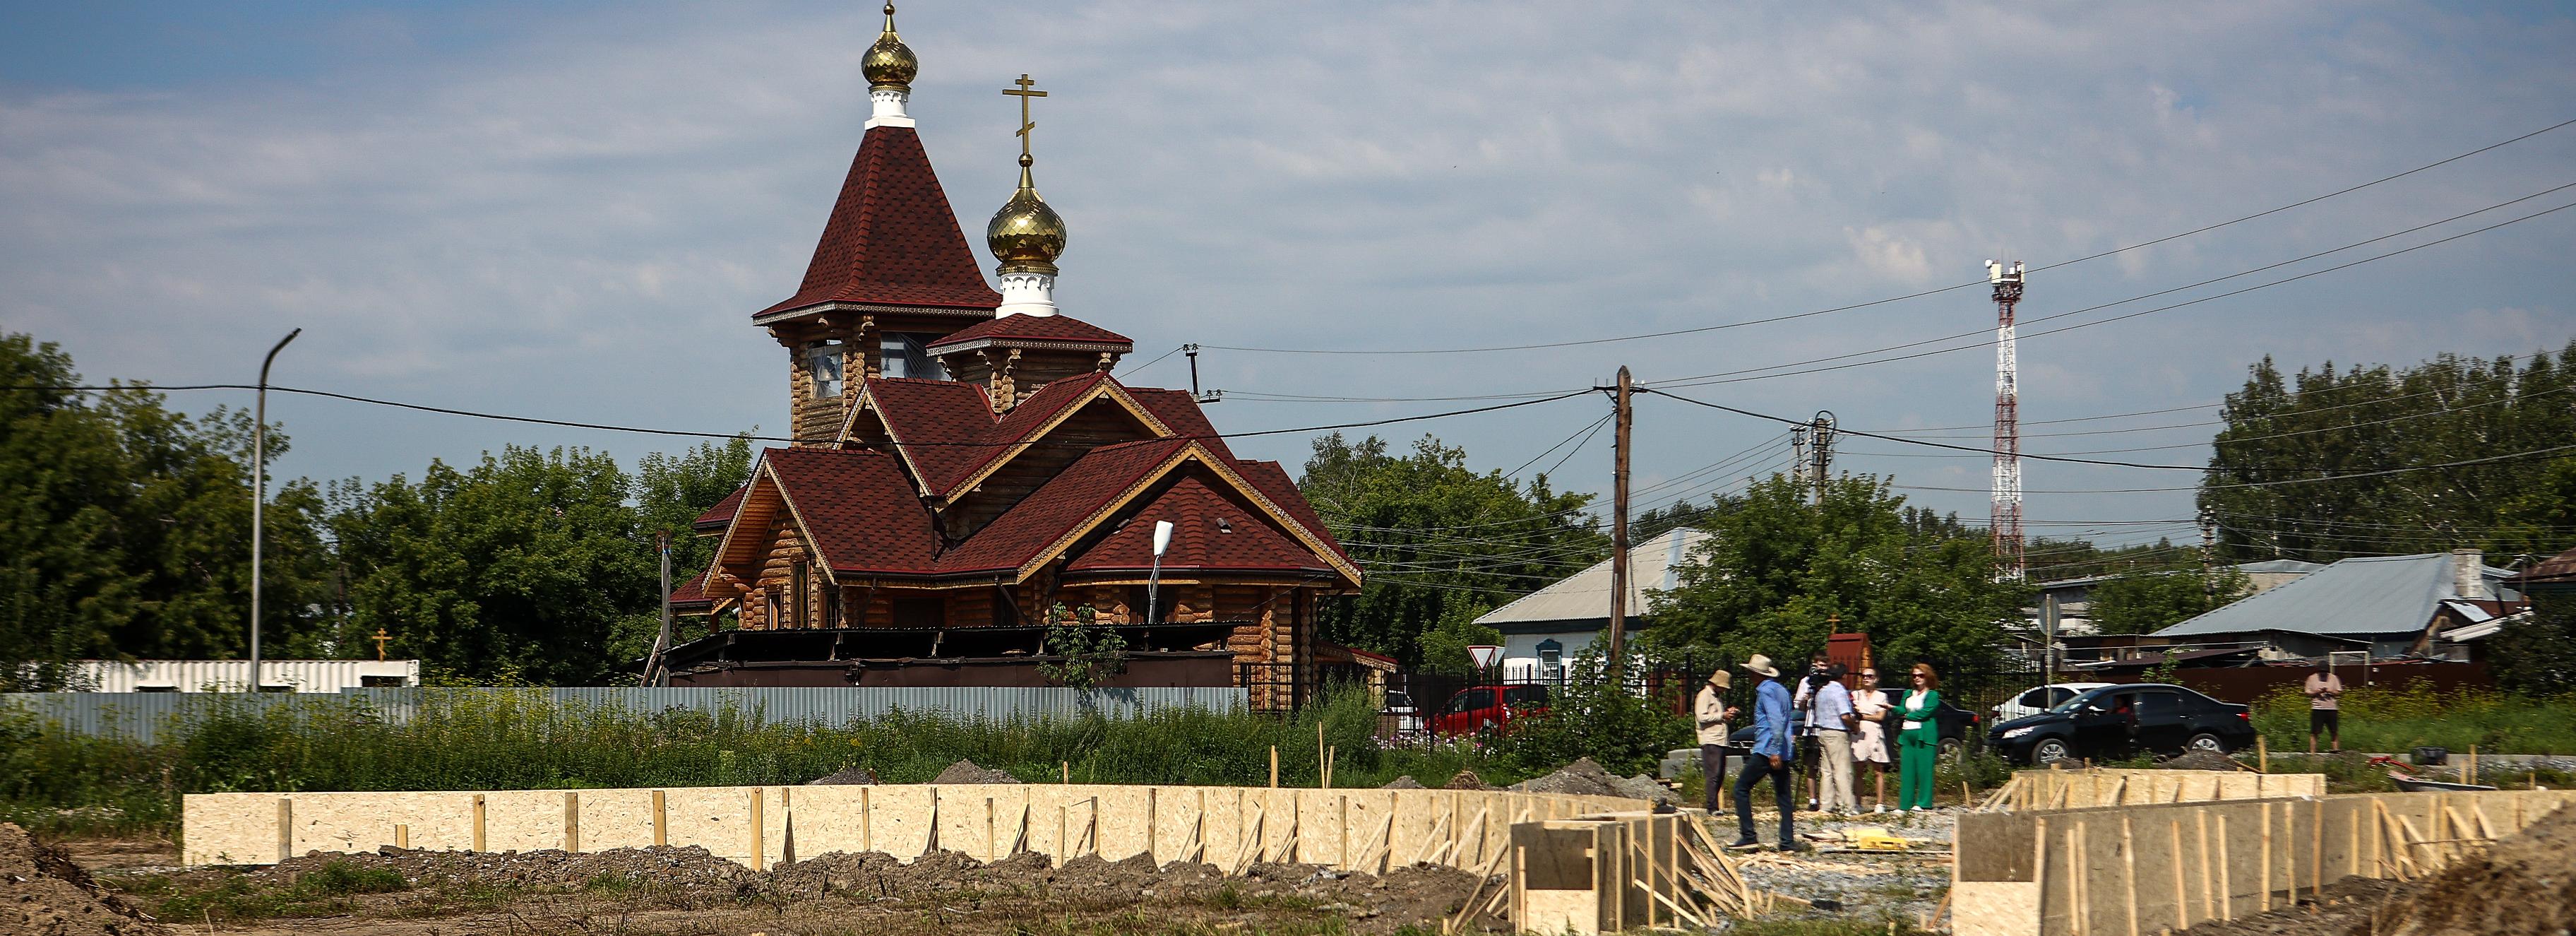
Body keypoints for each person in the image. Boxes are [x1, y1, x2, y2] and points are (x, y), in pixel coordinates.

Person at [1731, 654, 1805, 851]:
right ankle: (1787, 841)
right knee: (1784, 797)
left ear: (1755, 674)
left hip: (1767, 750)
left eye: (1749, 672)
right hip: (1784, 749)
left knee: (1740, 788)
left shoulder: (1765, 693)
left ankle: (1749, 836)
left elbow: (1777, 722)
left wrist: (1774, 751)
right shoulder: (1781, 690)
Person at [1895, 662, 1943, 812]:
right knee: (1907, 770)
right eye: (1914, 675)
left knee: (1924, 770)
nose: (1917, 678)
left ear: (1927, 676)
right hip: (1907, 734)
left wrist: (1908, 715)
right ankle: (1905, 804)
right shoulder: (1908, 693)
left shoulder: (1933, 695)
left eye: (1920, 675)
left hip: (1924, 735)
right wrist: (1892, 708)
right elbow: (1902, 709)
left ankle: (1923, 803)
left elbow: (1926, 712)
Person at [1812, 662, 1859, 814]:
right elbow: (1845, 716)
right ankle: (1847, 806)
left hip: (1823, 731)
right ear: (1844, 676)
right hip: (1837, 732)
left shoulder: (1822, 691)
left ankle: (1826, 805)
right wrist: (1855, 726)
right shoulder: (1839, 692)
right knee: (1842, 770)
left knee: (1826, 770)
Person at [1694, 668, 1741, 813]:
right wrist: (1723, 715)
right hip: (1711, 740)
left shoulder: (1715, 697)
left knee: (1719, 774)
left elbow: (1715, 715)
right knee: (1713, 775)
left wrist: (1728, 713)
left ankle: (1714, 805)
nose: (1725, 690)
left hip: (1719, 740)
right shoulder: (1704, 696)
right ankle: (1712, 807)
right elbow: (1702, 717)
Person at [1789, 651, 1830, 810]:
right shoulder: (1806, 682)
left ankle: (1827, 799)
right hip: (1811, 724)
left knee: (1827, 766)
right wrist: (1805, 700)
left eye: (1825, 666)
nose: (1822, 669)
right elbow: (1797, 705)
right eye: (1819, 665)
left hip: (1826, 726)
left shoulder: (1830, 683)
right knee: (1811, 765)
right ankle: (1813, 800)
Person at [1851, 667, 1892, 812]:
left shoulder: (1881, 696)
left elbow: (1881, 717)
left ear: (1876, 679)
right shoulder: (1856, 695)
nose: (1866, 678)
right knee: (1859, 770)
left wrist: (1864, 716)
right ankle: (1857, 803)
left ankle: (1880, 803)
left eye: (1869, 676)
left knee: (1878, 770)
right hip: (1859, 733)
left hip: (1874, 732)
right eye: (1864, 676)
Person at [2305, 658, 2343, 753]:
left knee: (2334, 731)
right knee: (2315, 732)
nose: (2323, 674)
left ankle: (2336, 750)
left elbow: (2339, 692)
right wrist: (2317, 692)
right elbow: (2307, 692)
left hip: (2331, 708)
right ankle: (2313, 753)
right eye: (2321, 672)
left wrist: (2329, 691)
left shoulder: (2334, 678)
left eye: (2325, 672)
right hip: (2317, 708)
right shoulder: (2311, 678)